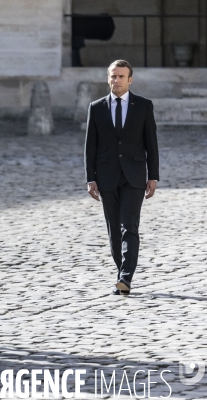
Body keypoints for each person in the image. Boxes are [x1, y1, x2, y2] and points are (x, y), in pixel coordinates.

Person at [84, 59, 159, 296]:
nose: (116, 80)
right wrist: (90, 178)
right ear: (108, 78)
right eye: (112, 76)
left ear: (130, 79)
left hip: (134, 175)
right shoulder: (96, 107)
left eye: (120, 76)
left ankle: (126, 277)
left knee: (130, 227)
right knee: (113, 229)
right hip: (106, 176)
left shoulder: (144, 106)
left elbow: (151, 144)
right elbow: (90, 147)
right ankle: (122, 273)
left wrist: (153, 176)